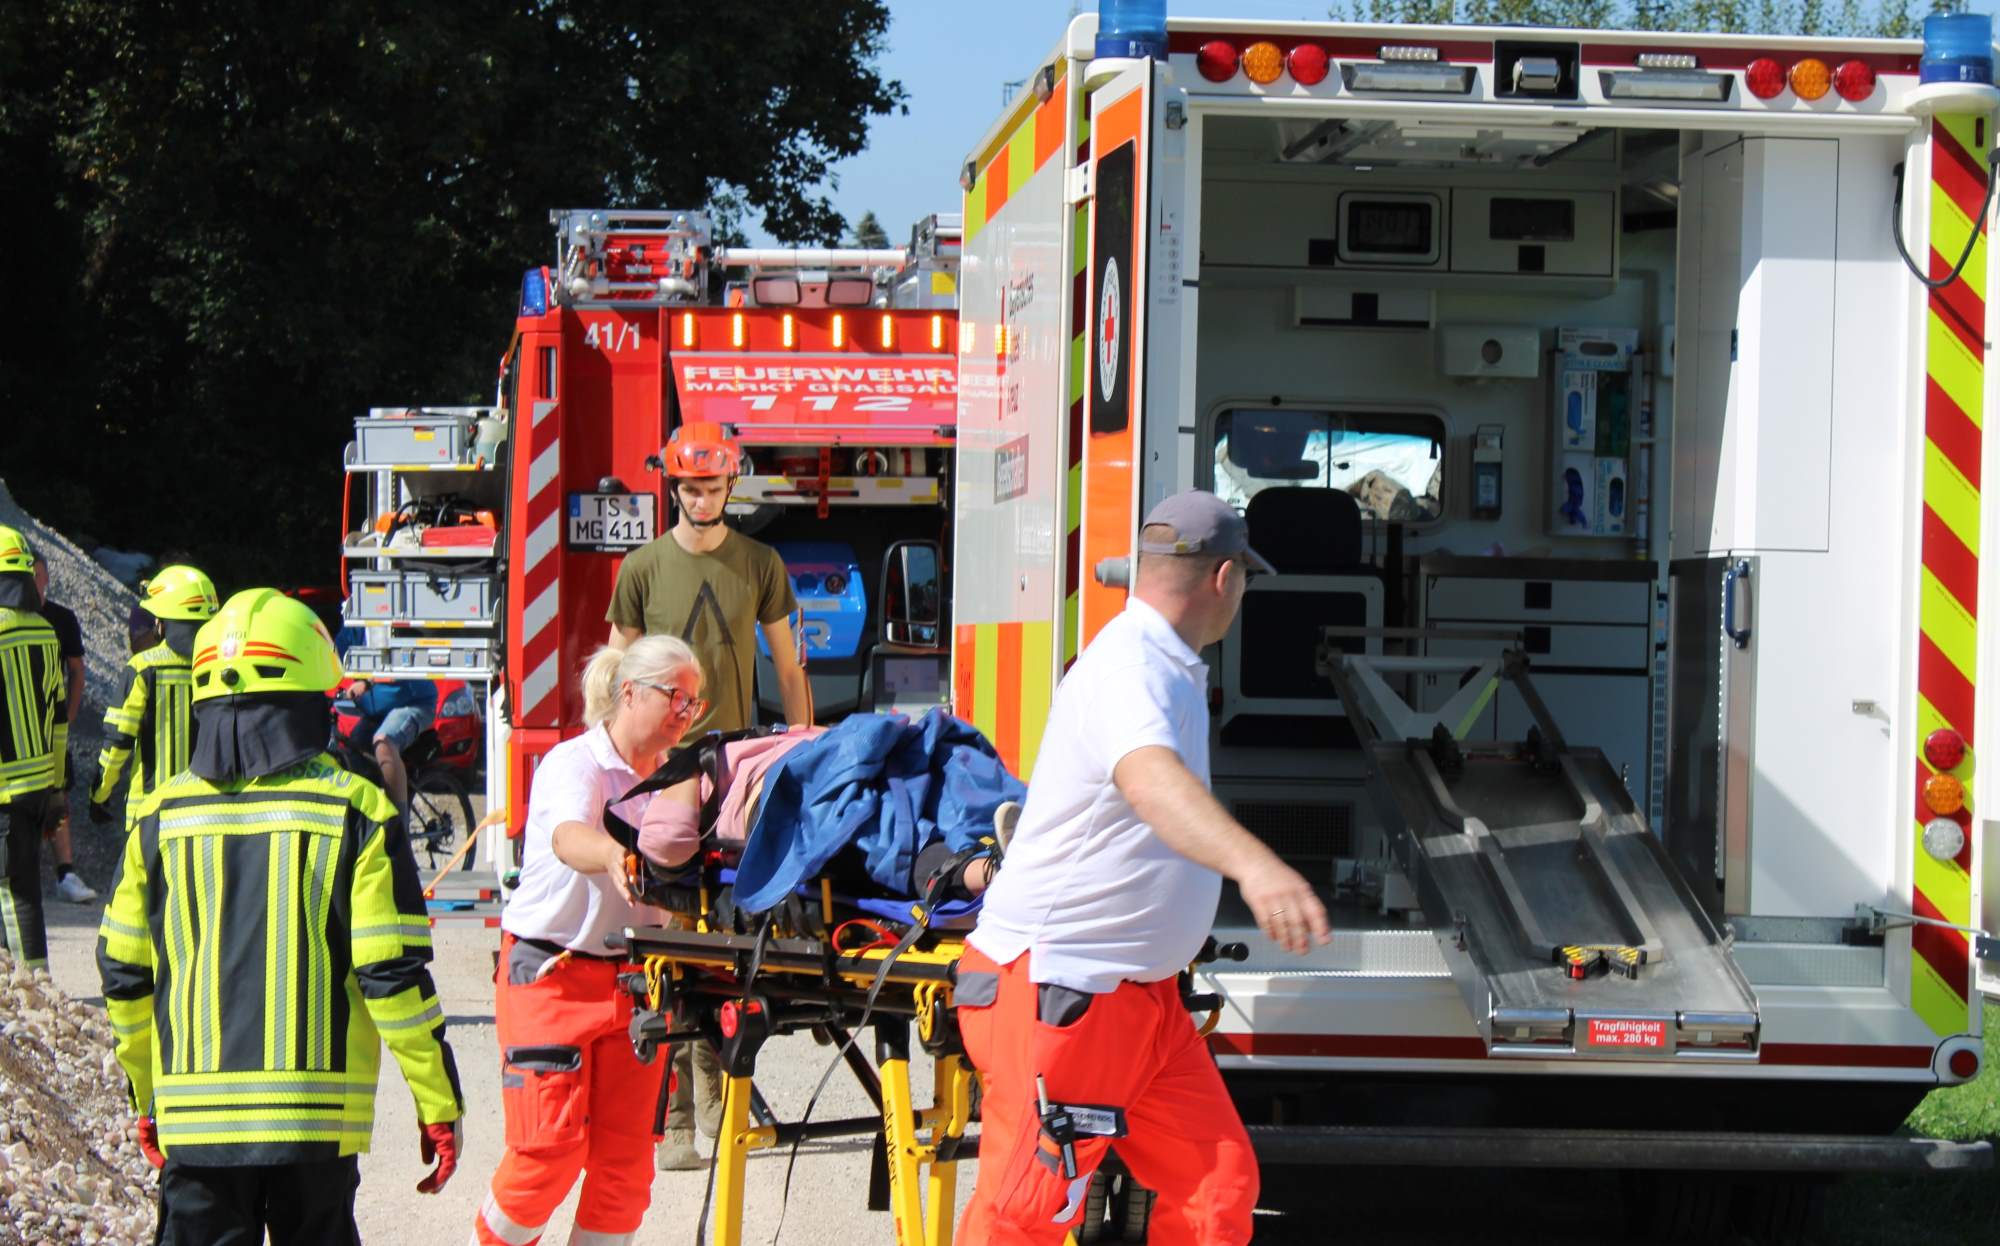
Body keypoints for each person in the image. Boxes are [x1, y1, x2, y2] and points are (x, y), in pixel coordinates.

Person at [956, 490, 1333, 1245]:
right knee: (1023, 1214)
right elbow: (1149, 780)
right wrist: (1255, 867)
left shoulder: (1162, 662)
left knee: (1214, 1186)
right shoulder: (1132, 665)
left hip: (1137, 1002)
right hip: (1065, 990)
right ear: (1225, 578)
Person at [96, 588, 465, 1244]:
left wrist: (149, 1092)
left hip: (195, 1134)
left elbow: (124, 975)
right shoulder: (358, 811)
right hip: (313, 1129)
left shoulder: (157, 820)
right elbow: (392, 977)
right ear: (313, 702)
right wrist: (437, 1101)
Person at [605, 420, 804, 1168]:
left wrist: (801, 749)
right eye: (690, 486)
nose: (702, 497)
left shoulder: (759, 562)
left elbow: (788, 667)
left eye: (714, 485)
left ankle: (718, 1114)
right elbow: (614, 675)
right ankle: (685, 1123)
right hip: (663, 773)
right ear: (673, 485)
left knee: (724, 944)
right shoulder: (643, 567)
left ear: (731, 484)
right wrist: (613, 761)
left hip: (737, 770)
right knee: (676, 940)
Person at [471, 636, 705, 1246]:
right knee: (545, 1158)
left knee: (626, 1171)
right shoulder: (575, 764)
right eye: (677, 697)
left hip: (636, 983)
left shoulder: (682, 777)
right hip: (552, 973)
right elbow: (567, 836)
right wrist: (609, 853)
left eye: (695, 704)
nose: (686, 713)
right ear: (631, 692)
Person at [89, 564, 218, 845]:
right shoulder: (221, 667)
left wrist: (99, 794)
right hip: (209, 813)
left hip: (150, 813)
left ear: (163, 622)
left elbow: (118, 742)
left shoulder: (142, 668)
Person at [0, 527, 66, 970]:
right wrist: (58, 787)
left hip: (4, 792)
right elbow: (58, 717)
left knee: (10, 892)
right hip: (39, 786)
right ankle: (34, 984)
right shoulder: (45, 630)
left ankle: (31, 992)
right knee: (25, 890)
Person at [31, 554, 94, 903]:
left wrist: (69, 714)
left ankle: (65, 874)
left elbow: (77, 669)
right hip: (12, 729)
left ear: (47, 577)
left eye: (38, 574)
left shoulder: (60, 618)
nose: (33, 581)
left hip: (50, 729)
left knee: (58, 797)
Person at [337, 674, 440, 812]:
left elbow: (396, 665)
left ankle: (398, 826)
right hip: (376, 709)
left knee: (383, 743)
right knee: (352, 752)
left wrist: (367, 682)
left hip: (414, 702)